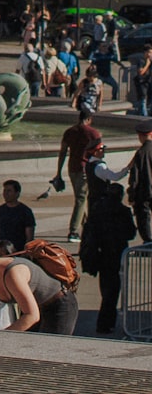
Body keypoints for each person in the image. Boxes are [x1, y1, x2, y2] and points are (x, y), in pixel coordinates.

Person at [0, 242, 78, 334]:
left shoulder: (13, 273)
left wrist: (2, 337)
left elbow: (32, 315)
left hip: (60, 305)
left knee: (49, 357)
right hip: (39, 307)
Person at [80, 184, 137, 334]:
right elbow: (130, 233)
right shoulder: (123, 211)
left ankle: (106, 322)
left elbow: (89, 231)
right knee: (112, 291)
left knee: (106, 289)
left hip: (100, 254)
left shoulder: (97, 209)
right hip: (115, 254)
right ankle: (105, 322)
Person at [54, 108, 100, 242]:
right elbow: (99, 153)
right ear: (89, 119)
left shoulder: (69, 132)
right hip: (85, 169)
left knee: (80, 197)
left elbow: (62, 152)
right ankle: (73, 231)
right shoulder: (94, 133)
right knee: (81, 198)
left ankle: (86, 225)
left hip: (72, 167)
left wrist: (58, 173)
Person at [83, 138, 129, 208]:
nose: (104, 151)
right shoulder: (100, 166)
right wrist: (127, 168)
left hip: (93, 200)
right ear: (95, 152)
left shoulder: (89, 164)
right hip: (101, 201)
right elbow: (115, 177)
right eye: (102, 149)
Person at [0, 179, 35, 253]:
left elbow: (29, 236)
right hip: (2, 251)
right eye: (4, 191)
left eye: (9, 191)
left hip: (19, 250)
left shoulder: (25, 211)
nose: (5, 194)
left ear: (17, 193)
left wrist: (26, 252)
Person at [127, 119, 152, 242]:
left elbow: (134, 177)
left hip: (145, 192)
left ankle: (148, 242)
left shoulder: (141, 153)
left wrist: (131, 195)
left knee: (143, 218)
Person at [134, 45, 152, 117]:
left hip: (149, 82)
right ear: (145, 52)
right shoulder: (141, 60)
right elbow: (141, 72)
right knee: (143, 99)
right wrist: (147, 64)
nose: (150, 54)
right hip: (141, 82)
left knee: (150, 99)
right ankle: (144, 115)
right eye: (149, 52)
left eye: (151, 52)